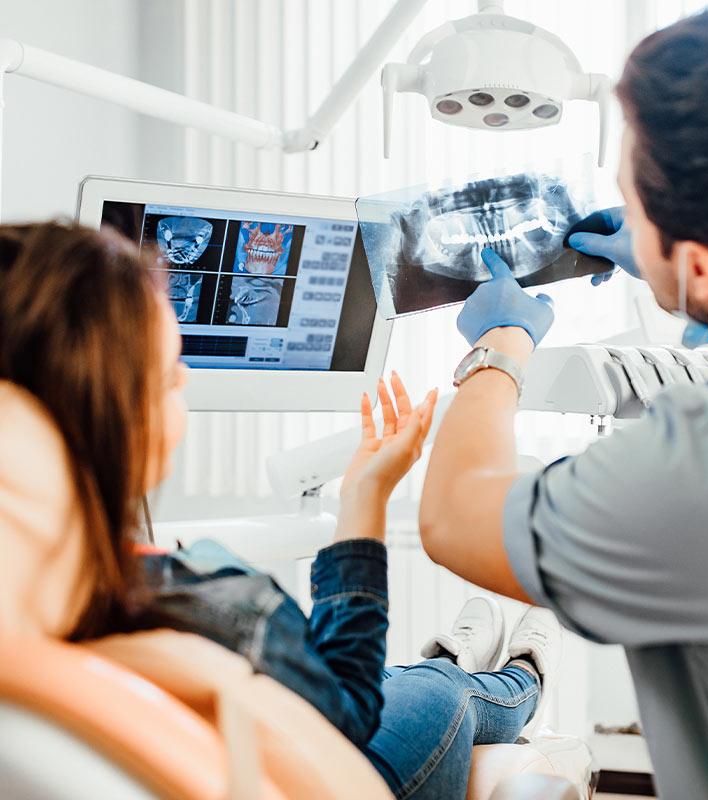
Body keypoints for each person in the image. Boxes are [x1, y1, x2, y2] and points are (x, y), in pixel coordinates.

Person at [0, 221, 564, 800]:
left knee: (402, 677)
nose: (187, 378)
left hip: (263, 723)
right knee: (441, 690)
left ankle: (461, 657)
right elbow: (347, 716)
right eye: (171, 372)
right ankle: (521, 677)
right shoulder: (219, 613)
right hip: (332, 762)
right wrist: (366, 496)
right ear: (117, 411)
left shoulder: (39, 593)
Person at [418, 4, 708, 799]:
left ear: (697, 263)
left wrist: (500, 347)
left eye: (637, 201)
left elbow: (454, 516)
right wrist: (694, 280)